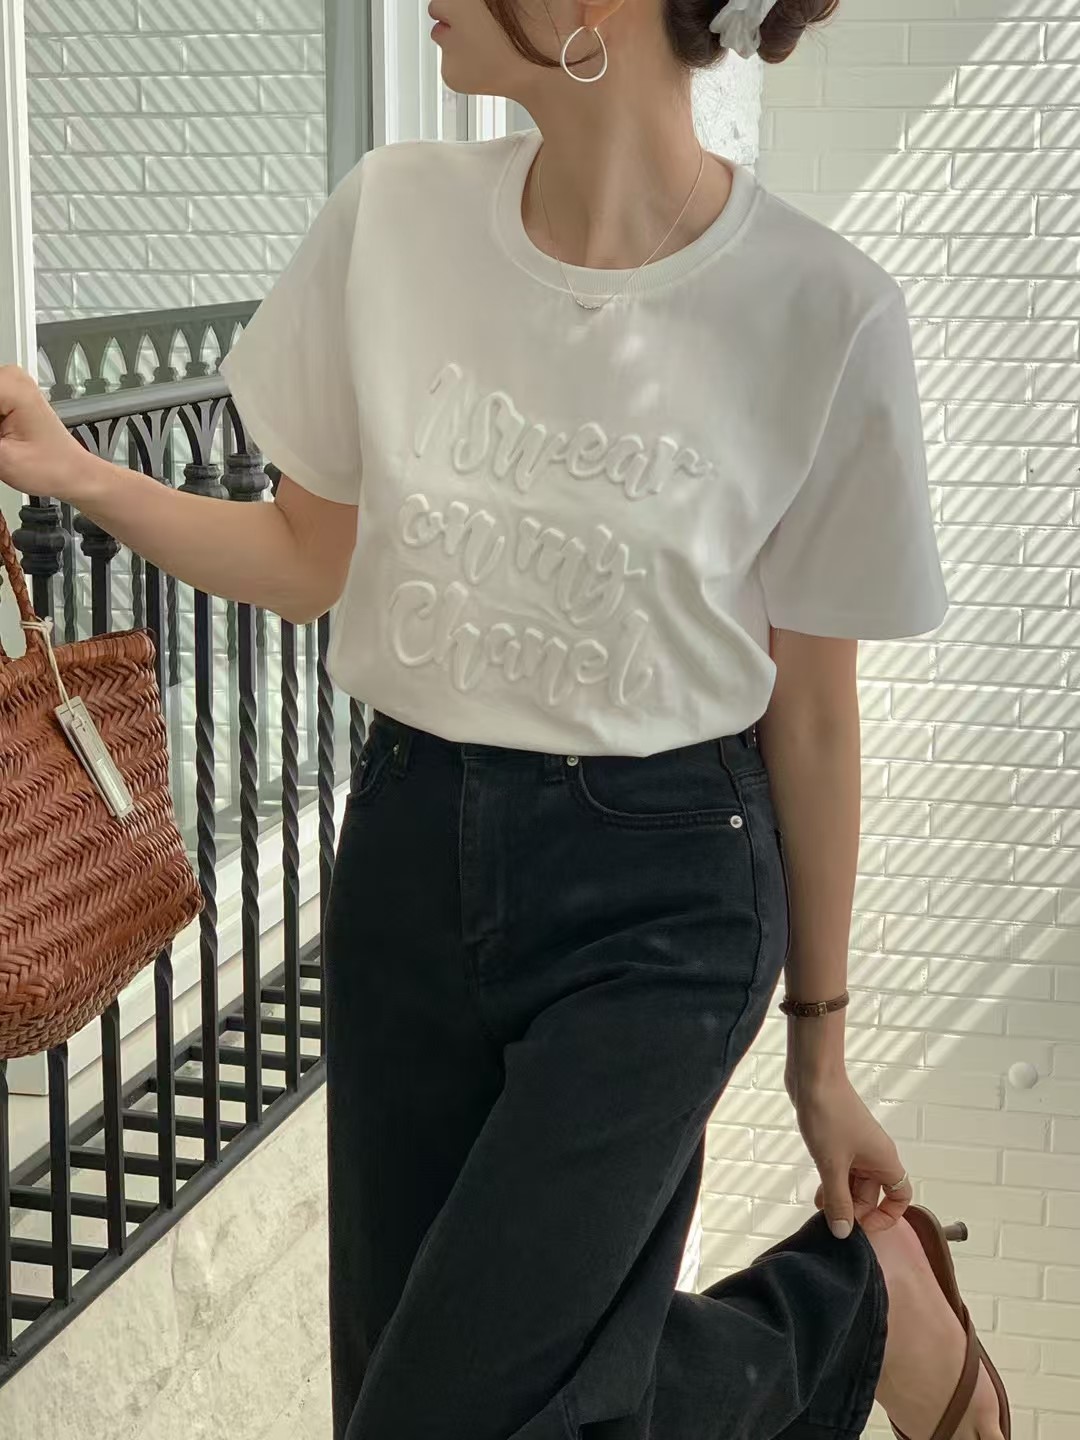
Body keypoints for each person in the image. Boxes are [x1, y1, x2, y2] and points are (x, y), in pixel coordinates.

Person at [0, 2, 1013, 1437]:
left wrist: (821, 1051)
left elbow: (816, 715)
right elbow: (307, 557)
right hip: (410, 856)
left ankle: (850, 1317)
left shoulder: (820, 308)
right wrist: (78, 474)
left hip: (665, 899)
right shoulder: (393, 220)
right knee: (414, 1390)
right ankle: (871, 1312)